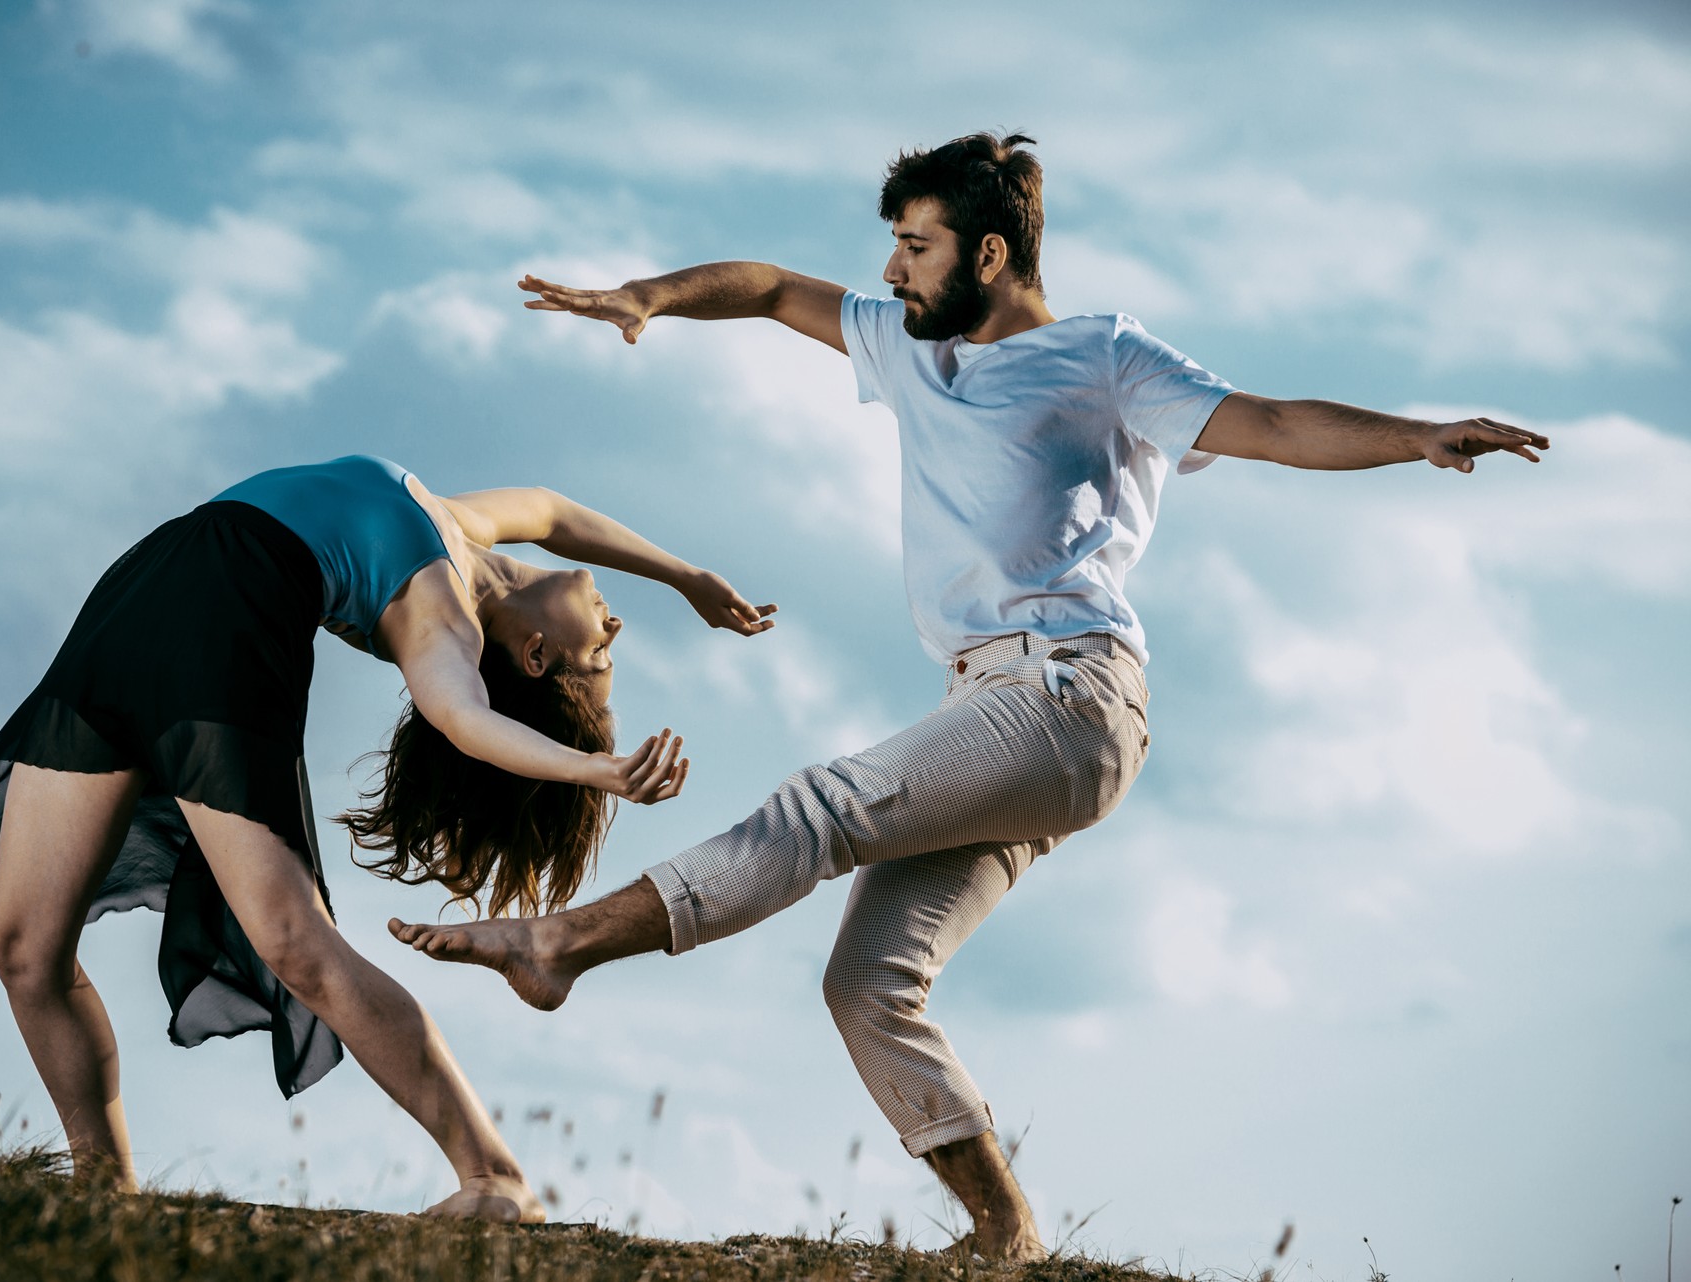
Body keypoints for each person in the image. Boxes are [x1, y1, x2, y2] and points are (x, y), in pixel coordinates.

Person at [389, 133, 1551, 1255]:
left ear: (991, 255)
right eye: (894, 246)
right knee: (866, 979)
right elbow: (770, 289)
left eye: (918, 246)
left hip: (1070, 691)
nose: (892, 270)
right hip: (986, 717)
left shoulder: (1104, 355)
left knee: (818, 809)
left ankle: (562, 943)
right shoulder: (909, 345)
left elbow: (1276, 422)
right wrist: (649, 293)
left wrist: (1421, 436)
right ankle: (1006, 1234)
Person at [0, 453, 774, 1220]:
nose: (614, 633)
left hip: (222, 611)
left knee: (294, 941)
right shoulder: (461, 534)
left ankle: (493, 1175)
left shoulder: (443, 622)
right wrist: (684, 575)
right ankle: (104, 1196)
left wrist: (596, 771)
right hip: (142, 592)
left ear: (538, 658)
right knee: (24, 945)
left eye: (600, 662)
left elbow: (463, 719)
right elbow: (552, 511)